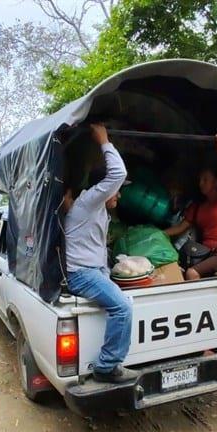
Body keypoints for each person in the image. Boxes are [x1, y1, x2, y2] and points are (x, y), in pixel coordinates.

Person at [63, 124, 137, 384]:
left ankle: (114, 354)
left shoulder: (96, 209)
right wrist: (104, 140)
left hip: (94, 271)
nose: (119, 194)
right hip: (82, 275)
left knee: (125, 301)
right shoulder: (89, 202)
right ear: (102, 189)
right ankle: (106, 367)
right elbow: (118, 172)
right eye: (116, 190)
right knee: (123, 309)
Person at [165, 134, 217, 280]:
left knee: (192, 273)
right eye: (200, 180)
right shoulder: (197, 207)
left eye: (206, 180)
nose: (201, 183)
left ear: (216, 181)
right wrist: (157, 234)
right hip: (206, 253)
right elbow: (180, 228)